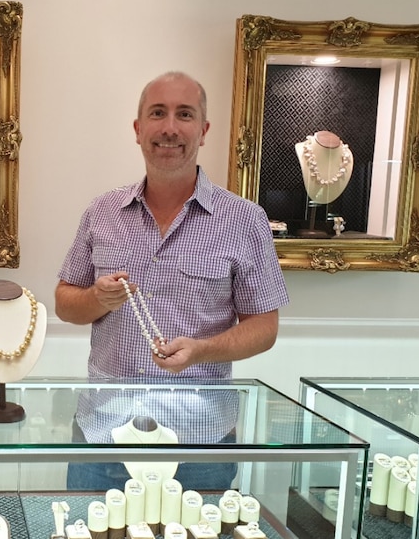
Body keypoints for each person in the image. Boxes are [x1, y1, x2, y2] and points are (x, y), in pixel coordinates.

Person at [56, 71, 289, 490]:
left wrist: (201, 351)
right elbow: (64, 302)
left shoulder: (245, 220)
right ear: (138, 129)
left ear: (203, 130)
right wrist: (97, 299)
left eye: (184, 114)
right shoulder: (101, 212)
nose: (169, 128)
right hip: (104, 433)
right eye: (157, 113)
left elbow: (264, 328)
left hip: (199, 442)